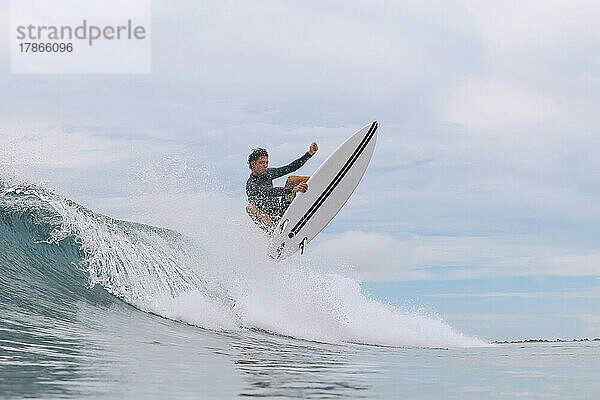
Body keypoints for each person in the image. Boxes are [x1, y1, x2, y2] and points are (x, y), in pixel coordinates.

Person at [246, 142, 318, 232]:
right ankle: (276, 231)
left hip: (282, 212)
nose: (265, 165)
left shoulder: (268, 173)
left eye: (266, 162)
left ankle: (321, 181)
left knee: (292, 180)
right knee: (250, 208)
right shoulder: (251, 184)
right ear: (253, 164)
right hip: (271, 222)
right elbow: (269, 191)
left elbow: (290, 168)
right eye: (262, 163)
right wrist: (292, 190)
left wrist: (309, 154)